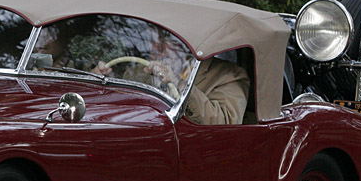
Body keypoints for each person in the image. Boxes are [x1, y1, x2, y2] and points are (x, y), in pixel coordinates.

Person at [94, 34, 250, 125]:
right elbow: (120, 105)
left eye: (167, 41)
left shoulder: (229, 74)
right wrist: (100, 80)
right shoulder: (138, 70)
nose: (157, 48)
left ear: (188, 42)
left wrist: (181, 85)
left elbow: (226, 122)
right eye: (154, 41)